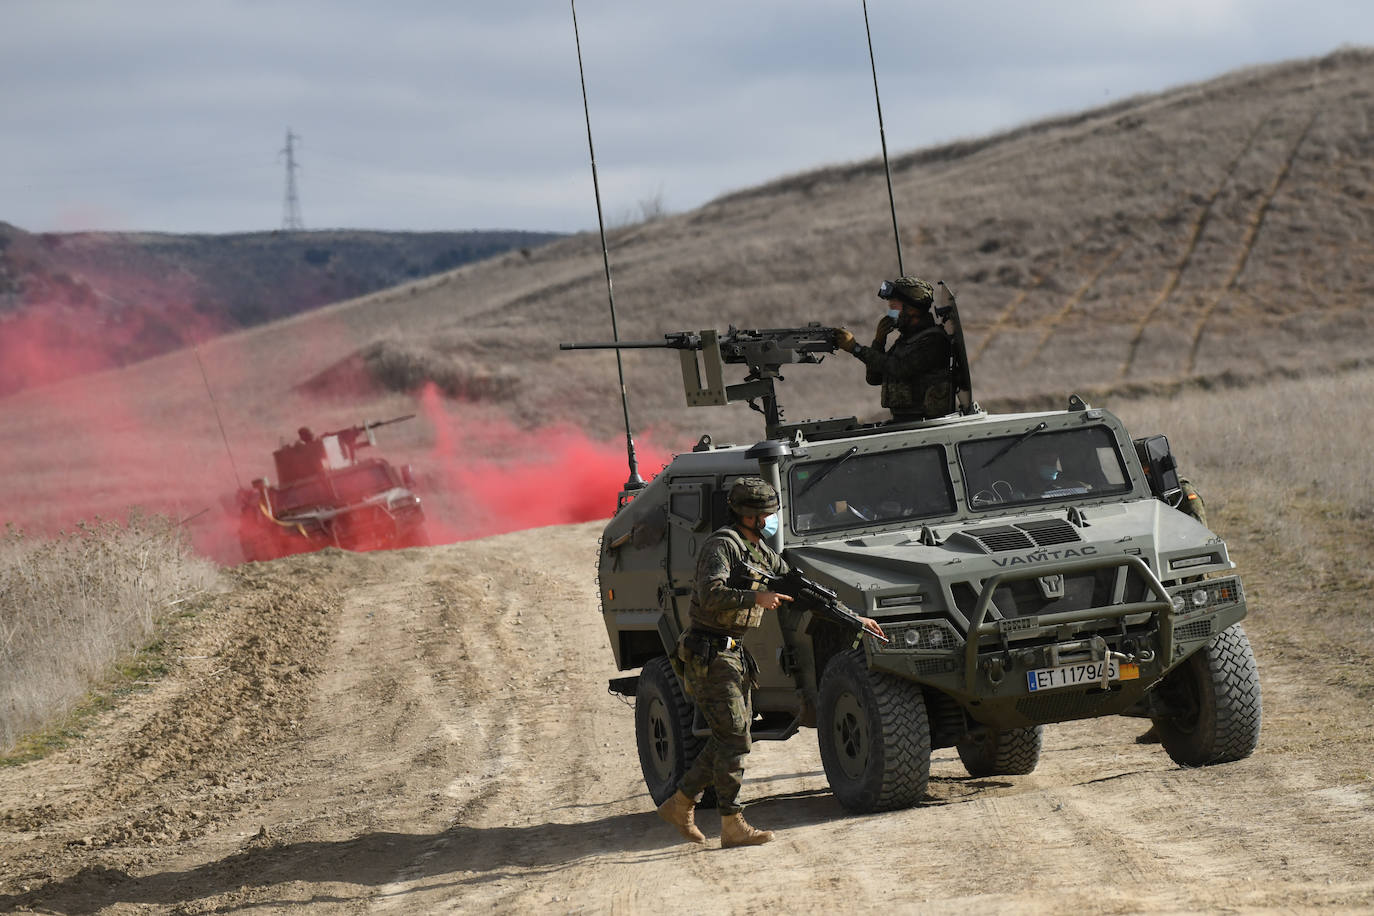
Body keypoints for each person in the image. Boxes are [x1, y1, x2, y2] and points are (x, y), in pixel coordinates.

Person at [656, 477, 882, 848]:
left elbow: (803, 591)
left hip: (733, 655)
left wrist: (853, 618)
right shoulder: (723, 546)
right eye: (767, 514)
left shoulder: (759, 551)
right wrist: (755, 598)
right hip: (709, 653)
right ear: (750, 515)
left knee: (732, 736)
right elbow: (711, 594)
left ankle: (681, 803)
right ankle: (730, 822)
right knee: (733, 737)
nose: (772, 520)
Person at [833, 275, 953, 422]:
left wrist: (856, 349)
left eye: (894, 308)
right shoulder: (906, 340)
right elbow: (874, 378)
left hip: (926, 422)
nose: (890, 314)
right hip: (905, 421)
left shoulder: (933, 340)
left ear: (912, 309)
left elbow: (899, 368)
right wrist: (879, 341)